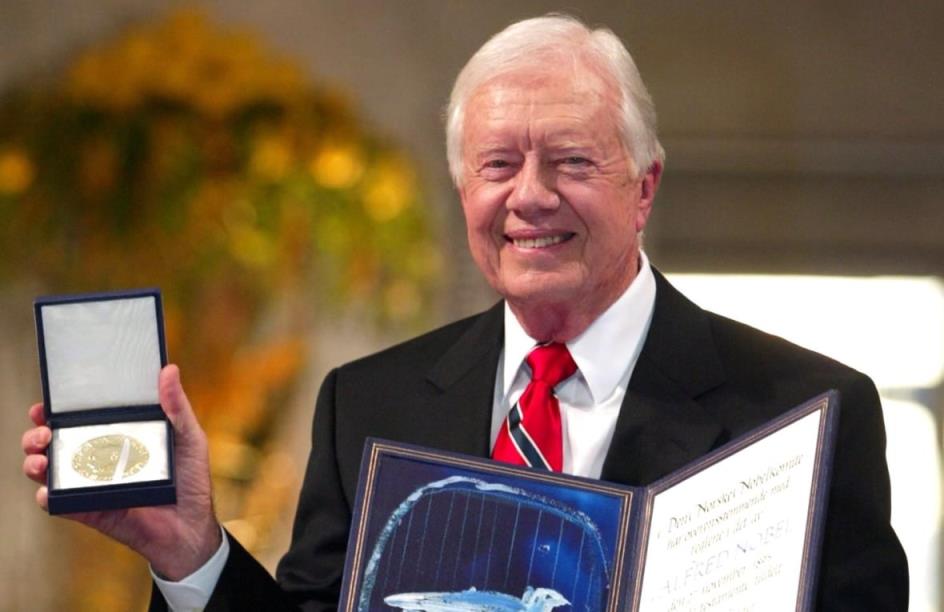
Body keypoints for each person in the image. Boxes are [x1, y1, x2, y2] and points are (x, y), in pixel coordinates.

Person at [21, 13, 908, 611]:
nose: (530, 197)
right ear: (461, 189)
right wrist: (190, 550)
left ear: (643, 189)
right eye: (497, 166)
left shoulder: (806, 412)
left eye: (570, 161)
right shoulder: (367, 405)